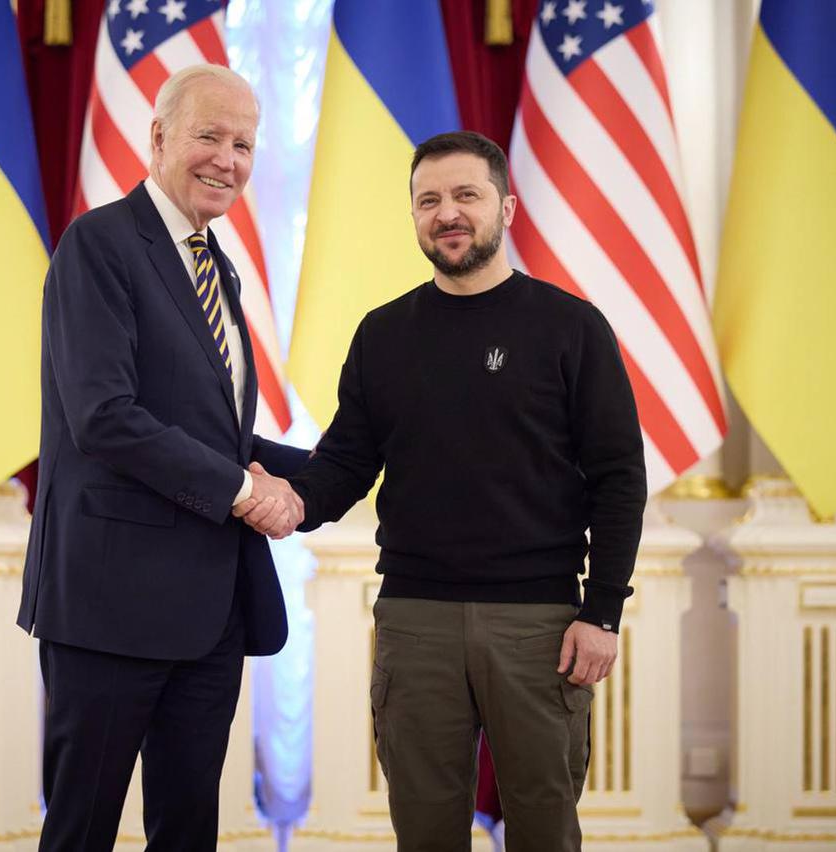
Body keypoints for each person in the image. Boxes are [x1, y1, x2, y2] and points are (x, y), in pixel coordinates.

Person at [248, 131, 647, 850]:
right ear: (413, 216)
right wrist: (290, 499)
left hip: (541, 626)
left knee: (545, 831)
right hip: (414, 621)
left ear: (506, 208)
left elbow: (620, 480)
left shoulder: (572, 328)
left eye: (466, 195)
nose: (447, 213)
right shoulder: (383, 335)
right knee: (425, 832)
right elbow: (345, 464)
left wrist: (603, 613)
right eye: (428, 200)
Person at [16, 64, 307, 851]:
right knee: (81, 831)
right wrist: (245, 493)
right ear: (158, 137)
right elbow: (104, 418)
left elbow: (216, 436)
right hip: (109, 607)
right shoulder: (99, 245)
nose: (228, 160)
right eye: (209, 136)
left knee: (187, 832)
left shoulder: (217, 265)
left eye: (244, 144)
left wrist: (336, 469)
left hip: (209, 614)